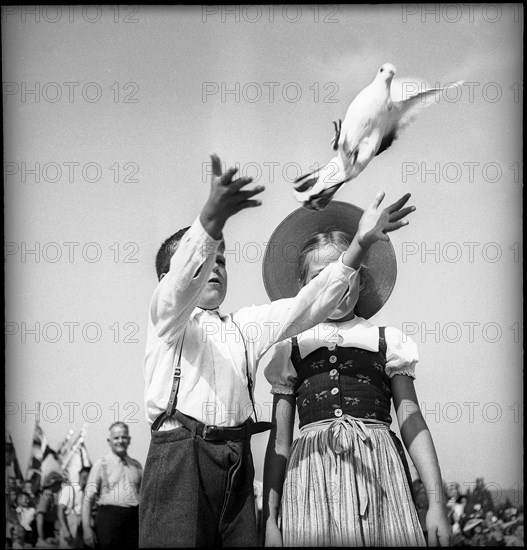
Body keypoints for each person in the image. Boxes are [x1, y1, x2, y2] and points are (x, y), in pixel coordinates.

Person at [138, 155, 412, 547]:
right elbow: (180, 285)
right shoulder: (166, 320)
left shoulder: (244, 326)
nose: (213, 266)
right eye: (203, 261)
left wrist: (360, 244)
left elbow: (308, 304)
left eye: (221, 261)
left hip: (236, 459)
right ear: (167, 279)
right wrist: (210, 224)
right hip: (181, 456)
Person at [262, 197, 452, 547]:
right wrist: (270, 519)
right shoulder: (290, 348)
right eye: (322, 278)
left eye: (345, 274)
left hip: (380, 473)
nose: (337, 286)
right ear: (305, 289)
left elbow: (411, 420)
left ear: (361, 281)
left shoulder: (387, 341)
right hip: (311, 478)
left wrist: (436, 504)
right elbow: (279, 442)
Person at [82, 423, 142, 549]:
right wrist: (86, 528)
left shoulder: (136, 466)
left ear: (129, 440)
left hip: (133, 521)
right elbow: (88, 499)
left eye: (124, 437)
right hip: (108, 519)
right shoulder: (101, 464)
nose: (120, 441)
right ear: (109, 441)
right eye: (116, 438)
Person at [58, 466, 91, 548]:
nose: (86, 478)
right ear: (79, 475)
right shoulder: (68, 489)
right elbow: (60, 511)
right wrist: (65, 530)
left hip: (82, 527)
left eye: (88, 476)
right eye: (84, 476)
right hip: (70, 525)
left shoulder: (88, 492)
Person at [36, 471, 64, 547]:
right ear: (54, 484)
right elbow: (40, 517)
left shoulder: (53, 496)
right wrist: (41, 538)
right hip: (44, 528)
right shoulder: (47, 495)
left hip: (50, 527)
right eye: (59, 483)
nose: (60, 486)